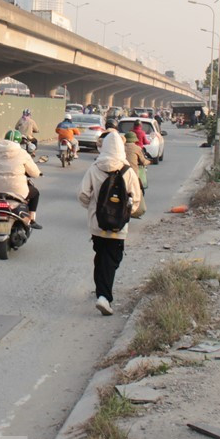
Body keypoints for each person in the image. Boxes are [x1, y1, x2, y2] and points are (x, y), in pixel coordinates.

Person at [78, 131, 142, 316]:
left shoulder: (94, 168)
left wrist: (92, 208)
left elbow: (83, 194)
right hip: (118, 226)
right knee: (112, 258)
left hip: (97, 223)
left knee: (101, 255)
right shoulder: (128, 171)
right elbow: (136, 199)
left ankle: (100, 291)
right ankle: (104, 296)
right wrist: (124, 213)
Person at [0, 130, 43, 229]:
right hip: (18, 190)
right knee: (35, 193)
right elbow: (34, 173)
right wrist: (38, 173)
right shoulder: (23, 153)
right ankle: (31, 220)